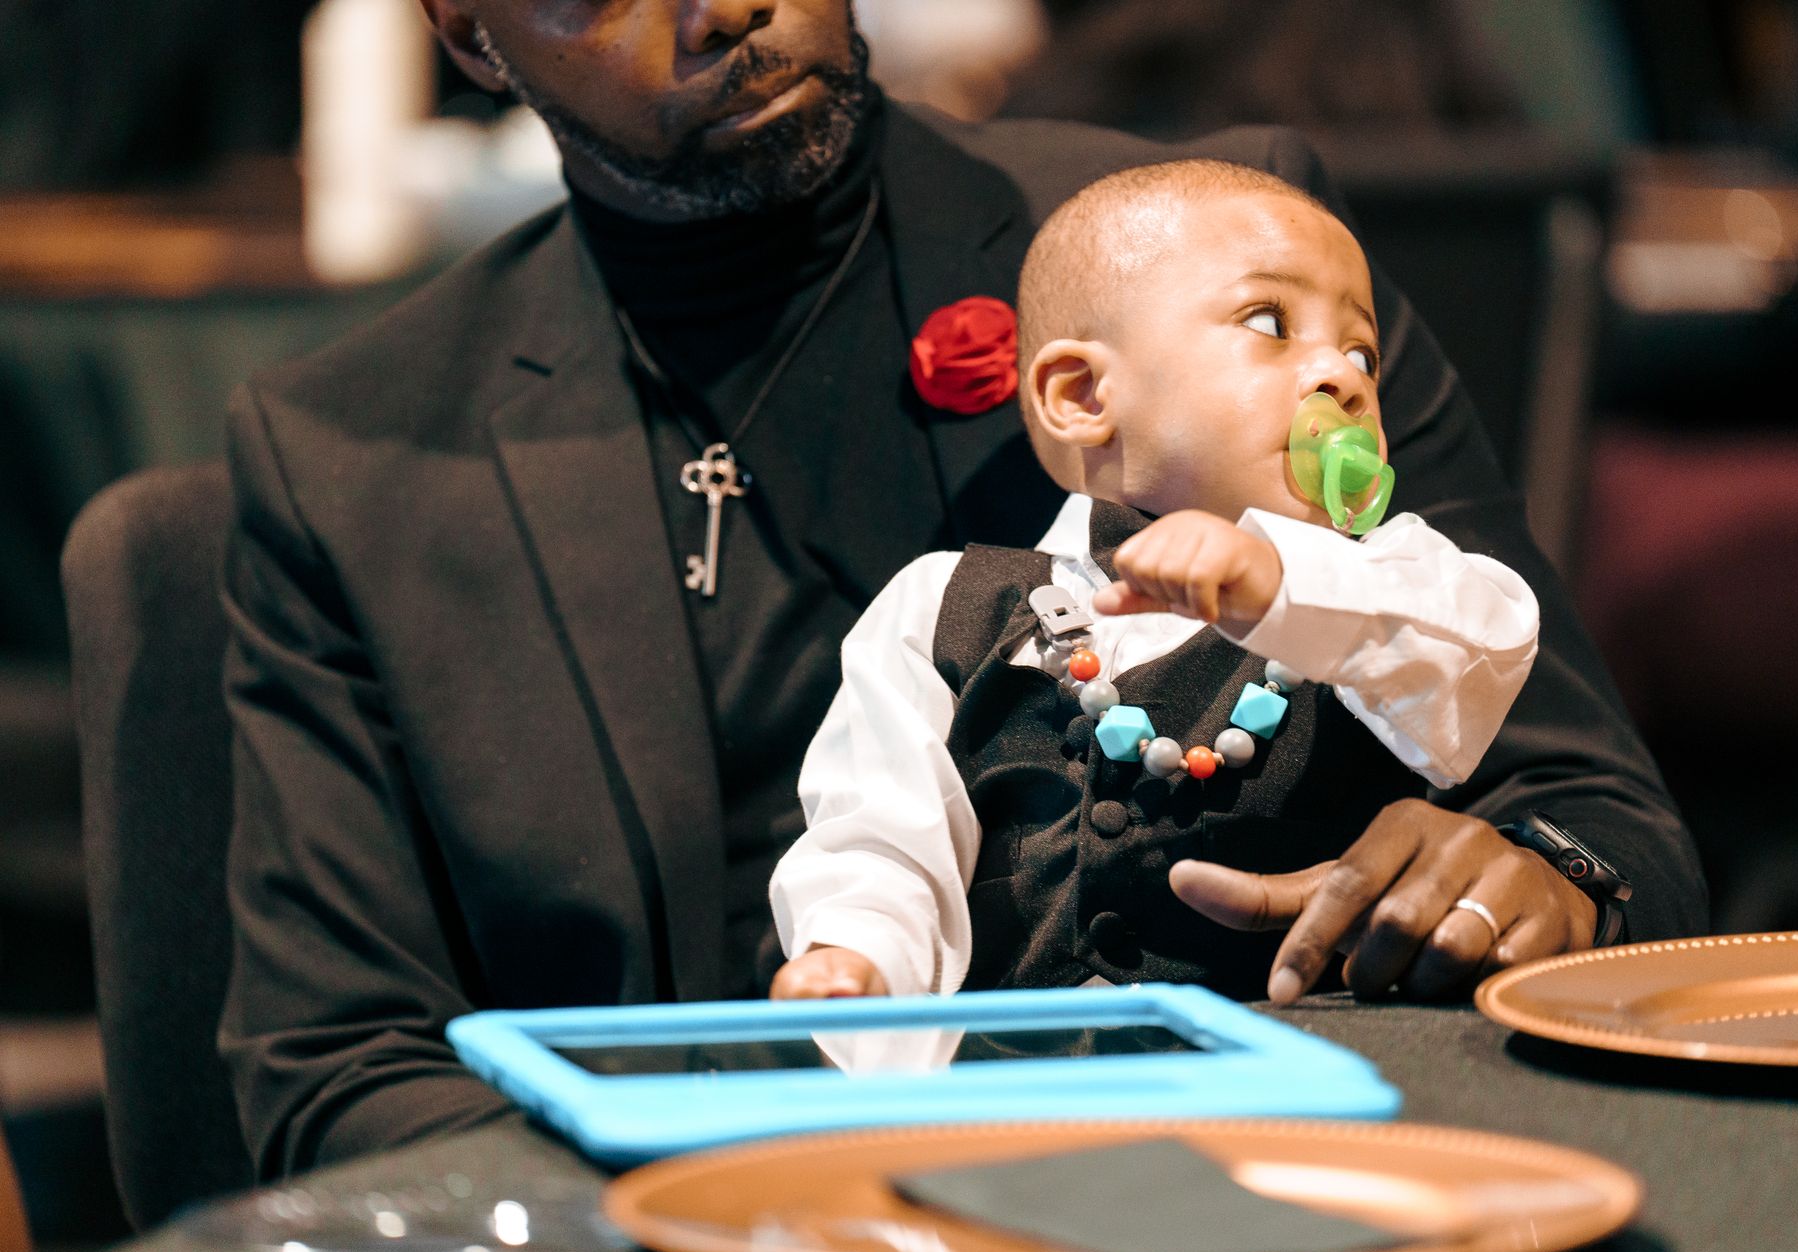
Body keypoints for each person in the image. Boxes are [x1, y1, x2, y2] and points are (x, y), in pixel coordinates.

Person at [217, 0, 1706, 1180]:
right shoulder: (350, 469)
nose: (726, 10)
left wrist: (1544, 879)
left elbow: (1601, 814)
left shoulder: (1212, 263)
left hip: (1270, 1172)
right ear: (466, 33)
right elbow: (338, 1075)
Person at [768, 161, 1546, 1002]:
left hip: (1306, 1076)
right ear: (1083, 394)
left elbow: (1482, 650)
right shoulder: (944, 607)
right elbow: (880, 832)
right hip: (1021, 1091)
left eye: (1361, 351)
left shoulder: (1381, 588)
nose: (1344, 377)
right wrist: (858, 957)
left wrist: (1280, 583)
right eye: (1269, 321)